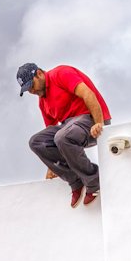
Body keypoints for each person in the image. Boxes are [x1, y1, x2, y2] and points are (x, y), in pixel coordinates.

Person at [17, 62, 111, 207]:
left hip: (90, 117)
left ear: (40, 73)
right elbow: (49, 139)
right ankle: (75, 182)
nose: (32, 91)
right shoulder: (43, 103)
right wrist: (53, 166)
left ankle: (94, 180)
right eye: (28, 89)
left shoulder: (60, 74)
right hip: (70, 127)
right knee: (36, 142)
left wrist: (99, 122)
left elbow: (87, 94)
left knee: (61, 136)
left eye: (32, 85)